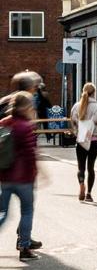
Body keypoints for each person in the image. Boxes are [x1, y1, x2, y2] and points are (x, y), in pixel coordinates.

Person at [0, 92, 42, 260]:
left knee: (2, 213)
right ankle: (24, 248)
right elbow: (31, 153)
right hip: (23, 178)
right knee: (27, 211)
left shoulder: (4, 123)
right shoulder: (26, 126)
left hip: (4, 176)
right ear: (26, 107)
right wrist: (36, 172)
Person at [70, 83, 97, 202]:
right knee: (91, 167)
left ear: (83, 91)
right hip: (94, 141)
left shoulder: (76, 106)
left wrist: (77, 133)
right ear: (94, 93)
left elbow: (73, 123)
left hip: (81, 141)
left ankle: (81, 184)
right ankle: (89, 194)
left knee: (81, 167)